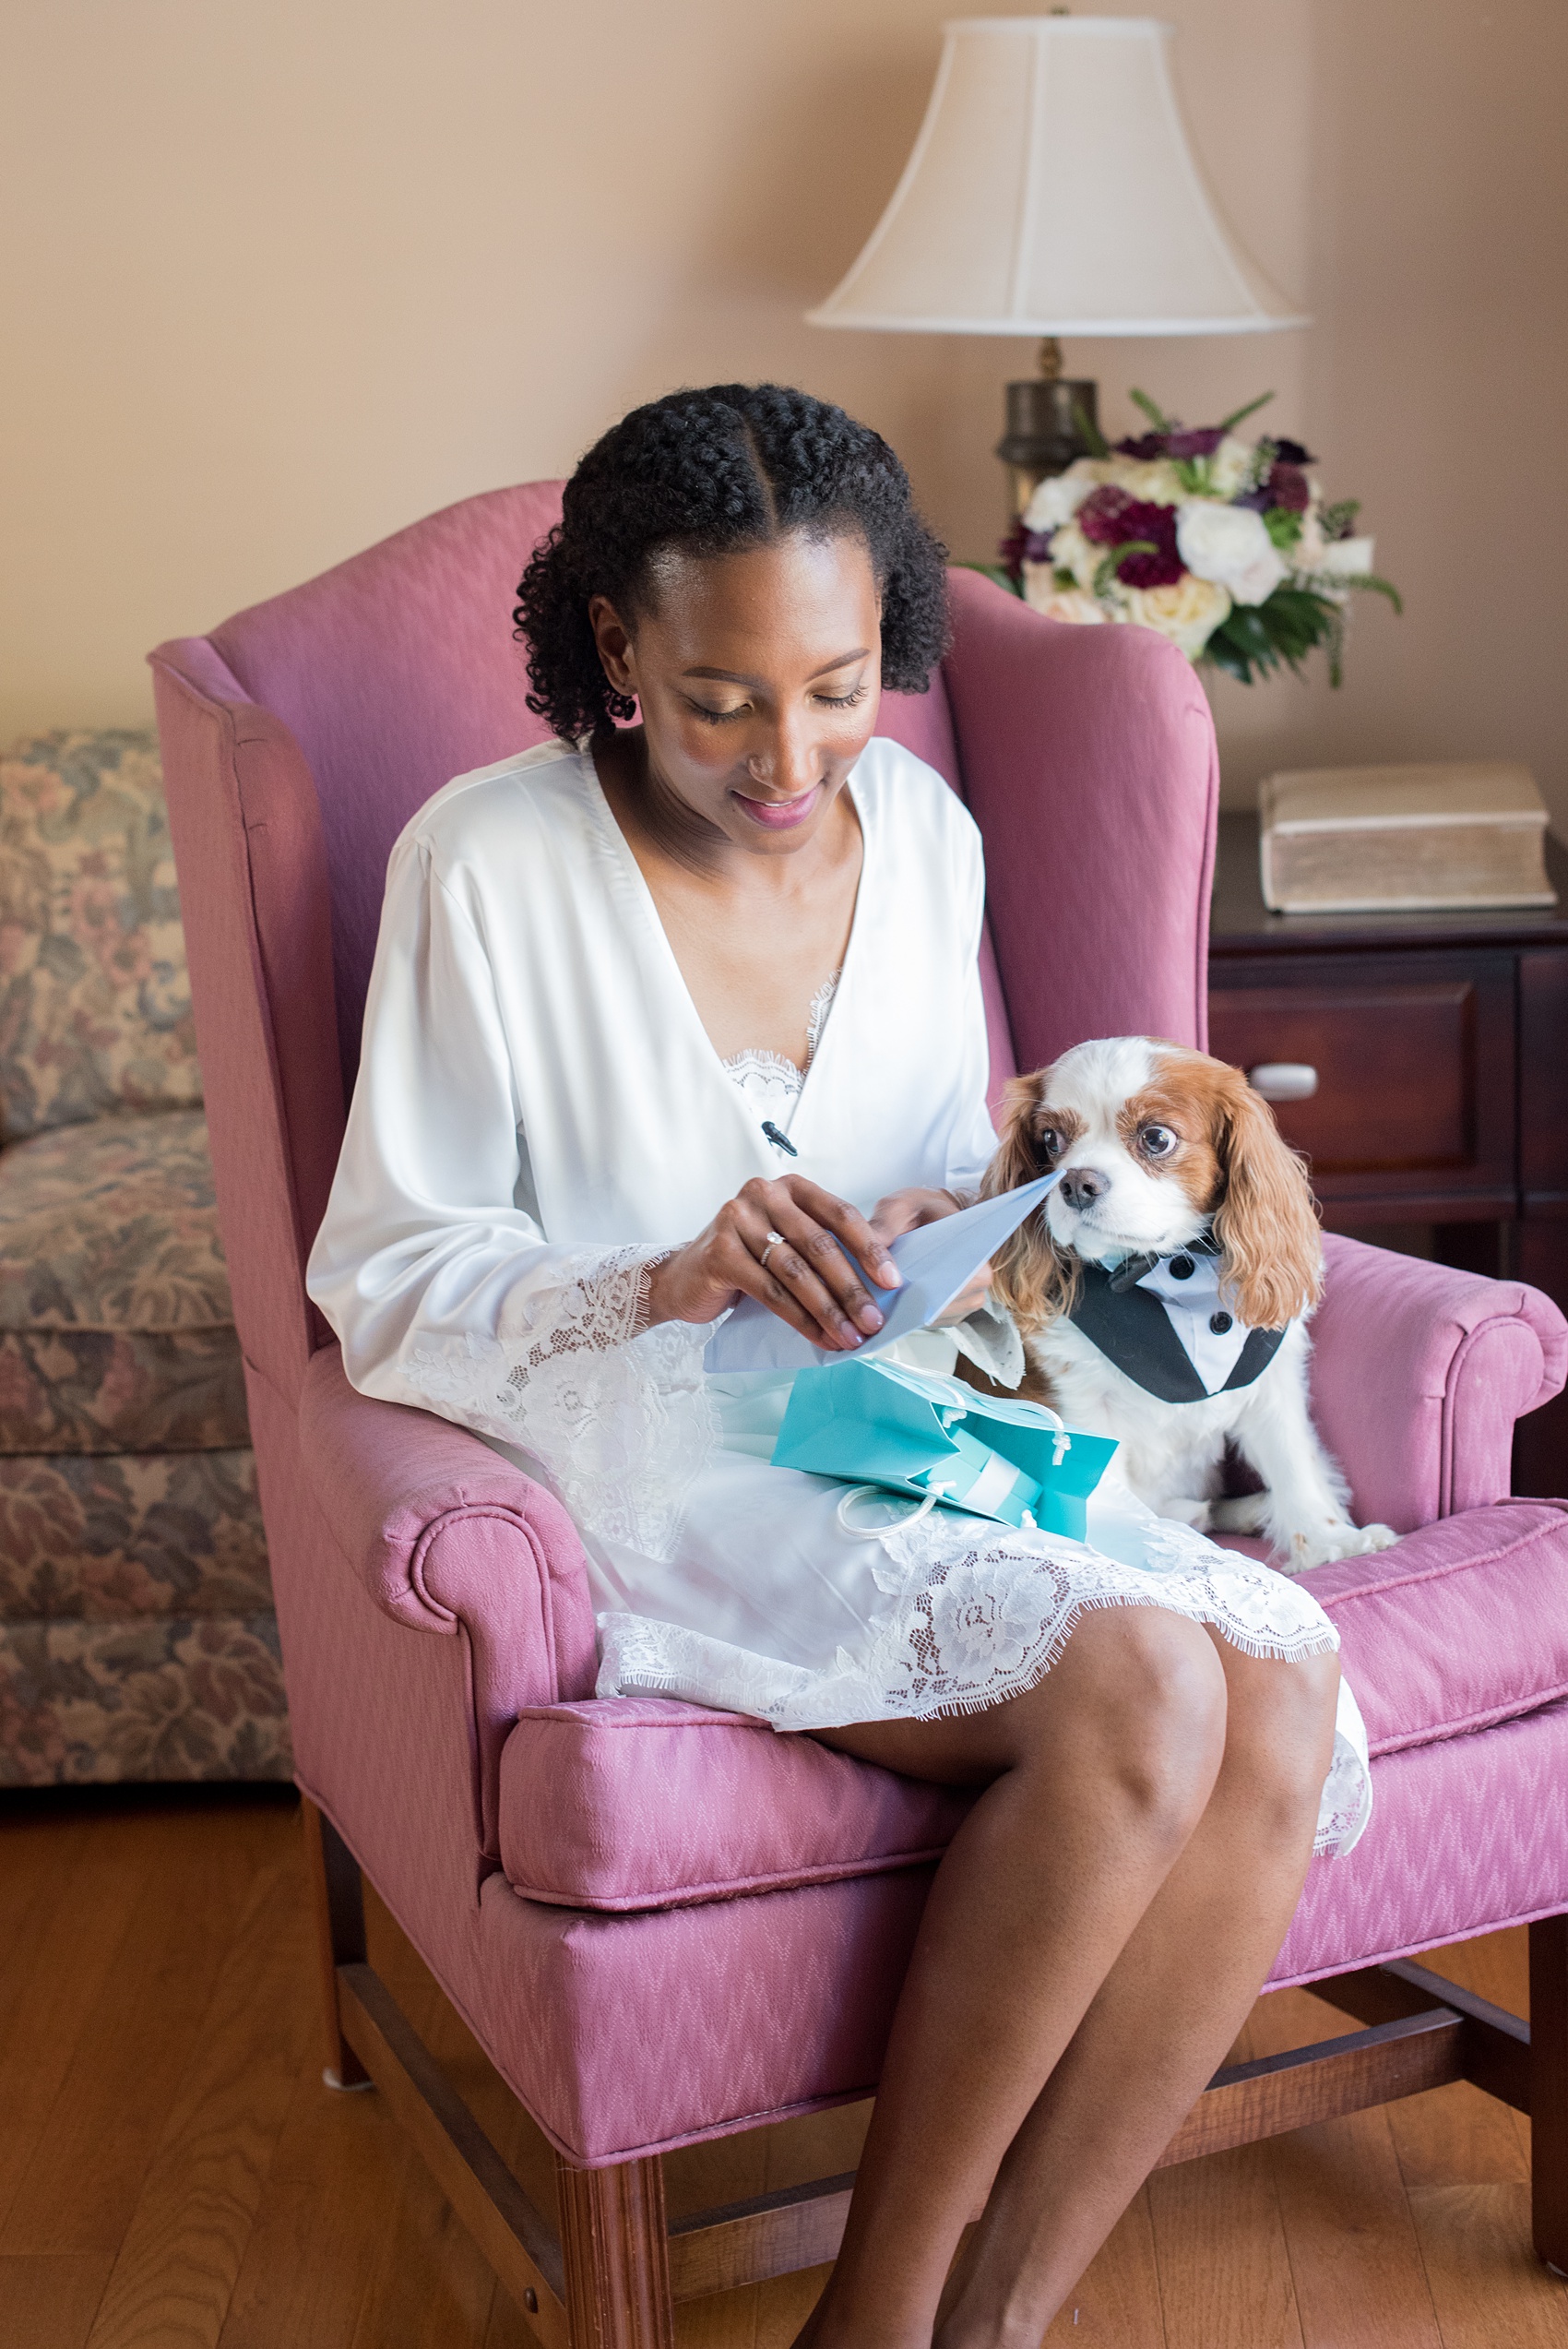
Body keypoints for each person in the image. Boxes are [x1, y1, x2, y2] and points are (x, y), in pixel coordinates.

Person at [308, 384, 1370, 2348]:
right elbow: (385, 1271)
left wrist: (934, 1233)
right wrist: (664, 1273)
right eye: (719, 698)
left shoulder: (930, 833)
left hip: (917, 1422)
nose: (789, 756)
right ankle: (869, 2332)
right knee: (1143, 1679)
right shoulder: (487, 863)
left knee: (1280, 1697)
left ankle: (998, 2326)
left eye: (839, 682)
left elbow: (943, 1168)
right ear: (615, 647)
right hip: (666, 1454)